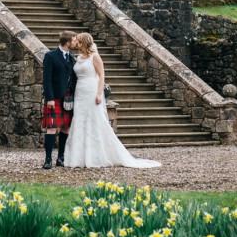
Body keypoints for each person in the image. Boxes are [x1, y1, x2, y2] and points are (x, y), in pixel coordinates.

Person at [64, 32, 161, 168]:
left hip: (92, 90)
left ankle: (97, 156)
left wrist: (99, 94)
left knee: (95, 121)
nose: (77, 44)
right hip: (80, 92)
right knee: (80, 121)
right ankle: (79, 157)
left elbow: (102, 75)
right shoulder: (78, 58)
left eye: (79, 42)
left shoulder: (95, 57)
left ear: (84, 43)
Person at [41, 31, 78, 169]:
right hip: (55, 97)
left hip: (69, 97)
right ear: (67, 43)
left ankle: (61, 158)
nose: (76, 43)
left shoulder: (71, 57)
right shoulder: (50, 56)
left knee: (66, 128)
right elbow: (47, 79)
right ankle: (48, 159)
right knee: (51, 128)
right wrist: (49, 98)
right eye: (74, 41)